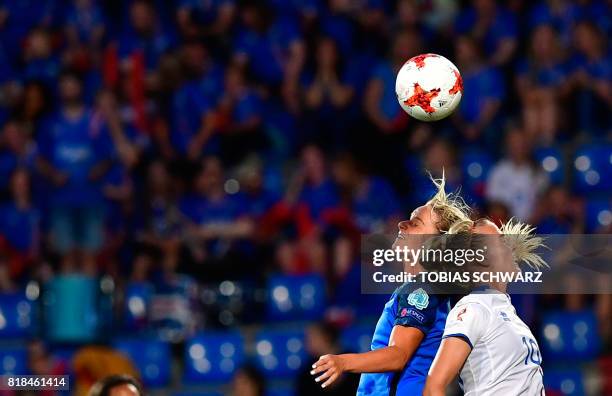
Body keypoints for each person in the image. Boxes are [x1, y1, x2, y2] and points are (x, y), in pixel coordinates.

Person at [310, 175, 471, 395]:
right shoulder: (426, 288)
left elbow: (398, 355)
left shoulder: (420, 290)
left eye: (415, 224)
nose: (400, 224)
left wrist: (343, 362)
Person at [423, 219, 547, 396]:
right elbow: (433, 387)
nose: (511, 244)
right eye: (501, 240)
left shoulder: (504, 309)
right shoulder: (473, 307)